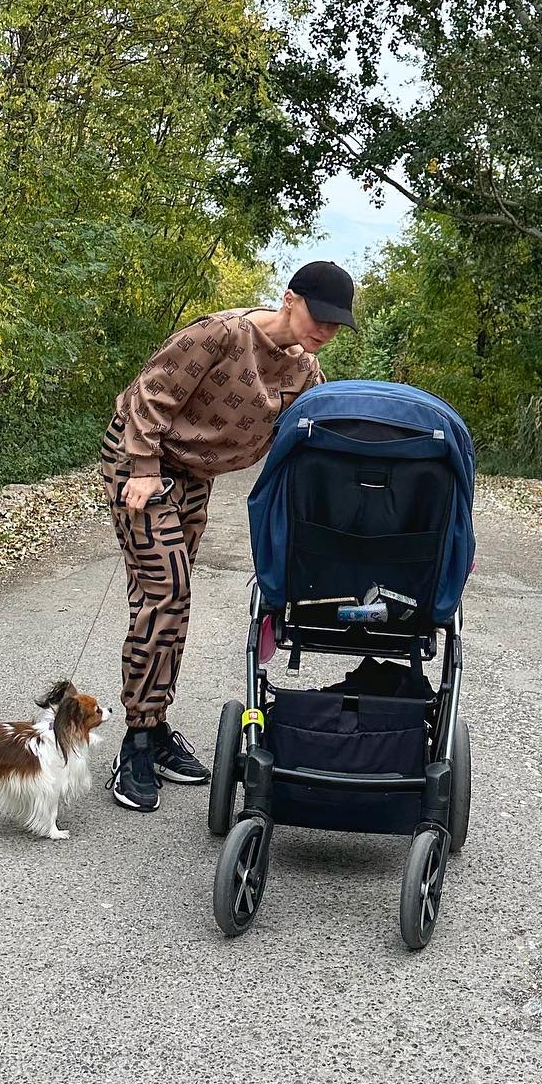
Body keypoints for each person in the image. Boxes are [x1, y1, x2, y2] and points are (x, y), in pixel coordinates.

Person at [99, 260, 357, 812]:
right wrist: (142, 467)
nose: (326, 330)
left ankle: (154, 725)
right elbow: (152, 392)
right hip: (141, 461)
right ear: (289, 298)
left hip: (195, 474)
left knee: (170, 599)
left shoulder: (304, 370)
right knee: (166, 592)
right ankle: (137, 740)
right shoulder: (222, 333)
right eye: (320, 315)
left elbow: (318, 431)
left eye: (337, 323)